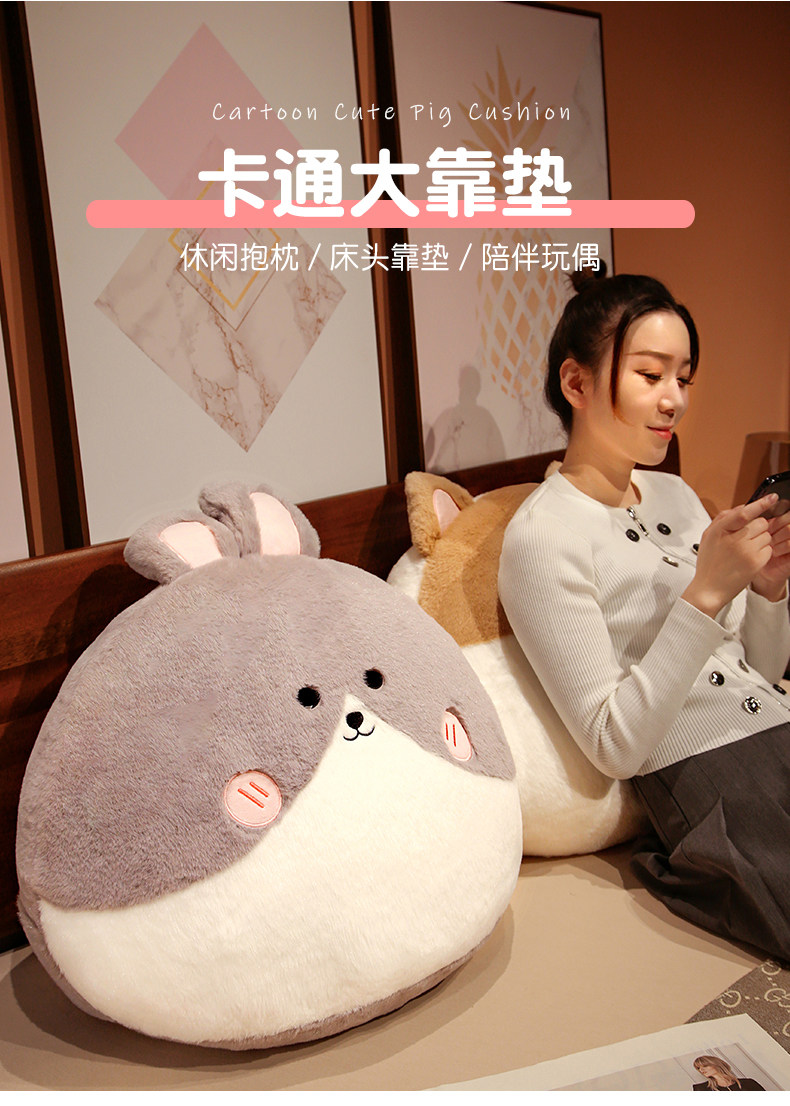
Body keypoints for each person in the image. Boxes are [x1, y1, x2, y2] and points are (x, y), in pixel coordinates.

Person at [498, 267, 790, 960]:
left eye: (683, 378)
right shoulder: (543, 537)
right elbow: (613, 745)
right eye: (651, 375)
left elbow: (759, 668)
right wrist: (705, 595)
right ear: (577, 384)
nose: (674, 400)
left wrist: (768, 591)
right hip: (713, 784)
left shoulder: (677, 496)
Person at [692, 1055, 765, 1091]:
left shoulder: (748, 1083)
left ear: (716, 1065)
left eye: (705, 1066)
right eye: (698, 1068)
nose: (701, 1070)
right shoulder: (701, 1089)